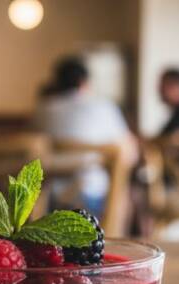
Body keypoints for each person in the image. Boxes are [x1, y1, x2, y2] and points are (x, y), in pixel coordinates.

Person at [34, 57, 137, 215]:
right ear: (85, 82)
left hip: (48, 202)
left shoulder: (43, 110)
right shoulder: (105, 107)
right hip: (96, 198)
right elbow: (130, 152)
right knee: (126, 193)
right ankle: (116, 235)